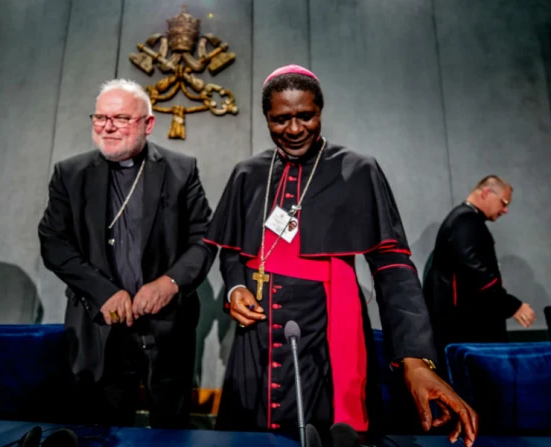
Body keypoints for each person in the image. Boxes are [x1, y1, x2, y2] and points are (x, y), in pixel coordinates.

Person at [204, 65, 478, 445]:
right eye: (281, 119)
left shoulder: (357, 170)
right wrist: (236, 288)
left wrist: (415, 359)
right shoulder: (248, 174)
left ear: (321, 110)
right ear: (266, 117)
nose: (295, 129)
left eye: (306, 116)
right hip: (256, 341)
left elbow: (393, 267)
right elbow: (232, 251)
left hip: (326, 335)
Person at [38, 79, 215, 428]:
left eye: (120, 118)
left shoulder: (181, 170)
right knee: (100, 428)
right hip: (99, 321)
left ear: (148, 124)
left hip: (166, 322)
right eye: (100, 117)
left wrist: (169, 282)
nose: (108, 126)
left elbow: (205, 238)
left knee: (170, 429)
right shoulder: (70, 174)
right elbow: (53, 242)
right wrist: (103, 291)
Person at [424, 176, 535, 372]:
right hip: (467, 334)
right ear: (486, 193)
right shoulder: (466, 222)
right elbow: (476, 274)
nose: (505, 210)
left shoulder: (461, 220)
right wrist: (513, 306)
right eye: (504, 202)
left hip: (460, 331)